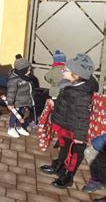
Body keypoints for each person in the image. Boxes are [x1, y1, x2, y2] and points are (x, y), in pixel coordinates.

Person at [40, 54, 98, 189]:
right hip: (64, 125)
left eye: (65, 69)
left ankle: (68, 175)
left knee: (73, 153)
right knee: (63, 147)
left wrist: (79, 136)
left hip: (74, 130)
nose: (62, 70)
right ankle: (59, 165)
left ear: (76, 75)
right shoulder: (70, 84)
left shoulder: (82, 94)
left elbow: (83, 116)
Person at [5, 55, 35, 138]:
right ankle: (11, 128)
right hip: (16, 102)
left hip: (23, 101)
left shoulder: (25, 77)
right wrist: (10, 103)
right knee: (14, 115)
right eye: (28, 70)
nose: (29, 72)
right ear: (22, 70)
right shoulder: (13, 81)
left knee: (22, 114)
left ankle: (18, 127)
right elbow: (11, 93)